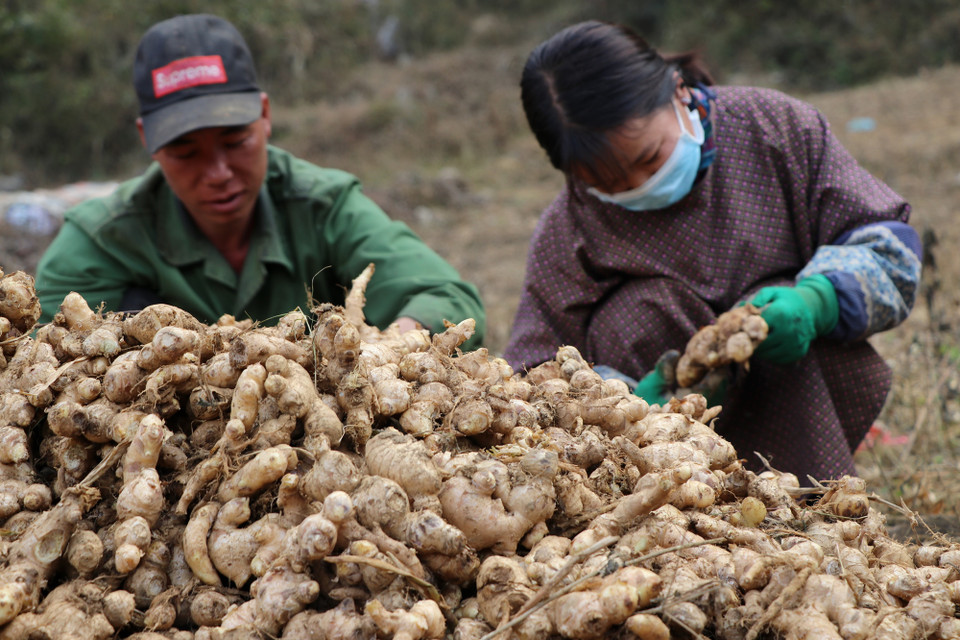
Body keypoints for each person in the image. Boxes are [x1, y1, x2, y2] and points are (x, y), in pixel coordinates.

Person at [504, 20, 921, 481]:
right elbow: (531, 374)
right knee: (637, 313)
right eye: (607, 183)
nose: (638, 187)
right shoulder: (569, 225)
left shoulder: (776, 128)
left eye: (649, 158)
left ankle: (809, 501)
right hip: (652, 463)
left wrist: (817, 301)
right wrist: (617, 401)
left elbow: (888, 248)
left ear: (678, 91)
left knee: (771, 307)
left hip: (796, 389)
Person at [35, 13, 485, 349]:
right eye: (187, 153)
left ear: (265, 117)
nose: (218, 173)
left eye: (235, 142)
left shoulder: (323, 205)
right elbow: (46, 357)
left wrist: (389, 348)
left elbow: (448, 298)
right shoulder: (101, 240)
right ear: (147, 142)